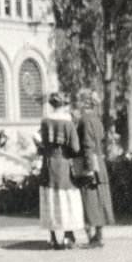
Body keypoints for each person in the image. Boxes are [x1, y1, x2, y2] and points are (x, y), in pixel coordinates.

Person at [38, 92, 84, 249]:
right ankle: (67, 235)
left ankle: (52, 237)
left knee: (50, 199)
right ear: (63, 105)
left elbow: (43, 143)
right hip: (64, 164)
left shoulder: (45, 121)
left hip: (49, 164)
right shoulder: (68, 123)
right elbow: (75, 147)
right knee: (67, 199)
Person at [76, 89, 115, 247]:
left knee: (89, 200)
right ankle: (99, 235)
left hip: (90, 162)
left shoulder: (84, 120)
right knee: (100, 199)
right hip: (100, 161)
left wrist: (89, 168)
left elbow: (87, 145)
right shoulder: (96, 120)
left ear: (84, 103)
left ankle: (93, 237)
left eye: (79, 101)